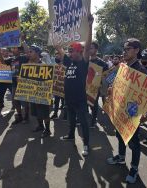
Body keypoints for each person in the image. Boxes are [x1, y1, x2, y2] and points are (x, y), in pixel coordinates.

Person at [106, 38, 147, 184]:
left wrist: (145, 112)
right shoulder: (122, 67)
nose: (124, 51)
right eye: (124, 48)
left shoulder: (141, 70)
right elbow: (116, 84)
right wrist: (112, 89)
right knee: (119, 135)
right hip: (120, 109)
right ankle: (121, 157)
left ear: (136, 50)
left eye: (128, 48)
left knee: (133, 142)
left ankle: (134, 168)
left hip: (132, 112)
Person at [54, 14, 94, 157]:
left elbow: (88, 46)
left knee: (83, 123)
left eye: (72, 51)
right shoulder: (68, 62)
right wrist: (52, 31)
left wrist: (90, 25)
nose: (70, 53)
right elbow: (58, 47)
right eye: (69, 51)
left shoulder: (83, 63)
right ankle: (70, 136)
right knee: (70, 120)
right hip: (68, 99)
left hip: (80, 100)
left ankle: (86, 145)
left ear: (80, 52)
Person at [0, 45, 29, 124]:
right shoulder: (11, 59)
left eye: (15, 48)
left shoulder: (23, 57)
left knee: (25, 101)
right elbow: (2, 62)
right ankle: (19, 116)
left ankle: (26, 116)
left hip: (23, 82)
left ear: (19, 50)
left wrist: (23, 42)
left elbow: (28, 53)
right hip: (14, 82)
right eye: (12, 48)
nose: (13, 49)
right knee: (15, 100)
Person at [88, 42, 109, 128]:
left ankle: (93, 121)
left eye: (91, 48)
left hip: (95, 87)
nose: (89, 50)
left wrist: (101, 84)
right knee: (85, 104)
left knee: (94, 104)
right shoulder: (86, 61)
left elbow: (107, 76)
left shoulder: (102, 63)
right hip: (85, 86)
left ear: (96, 50)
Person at [50, 51, 66, 119]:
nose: (56, 58)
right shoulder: (55, 66)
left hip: (64, 87)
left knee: (65, 102)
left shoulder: (66, 65)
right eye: (55, 56)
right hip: (56, 86)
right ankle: (55, 114)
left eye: (57, 56)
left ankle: (65, 115)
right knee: (56, 101)